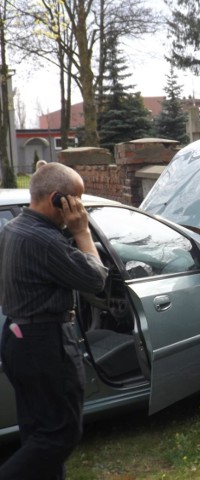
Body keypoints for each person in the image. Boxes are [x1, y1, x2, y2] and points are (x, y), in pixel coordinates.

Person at [0, 163, 108, 480]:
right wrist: (82, 231)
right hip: (45, 342)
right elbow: (95, 279)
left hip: (17, 336)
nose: (79, 208)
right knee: (61, 433)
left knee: (38, 430)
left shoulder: (14, 228)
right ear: (58, 199)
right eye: (77, 200)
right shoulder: (45, 241)